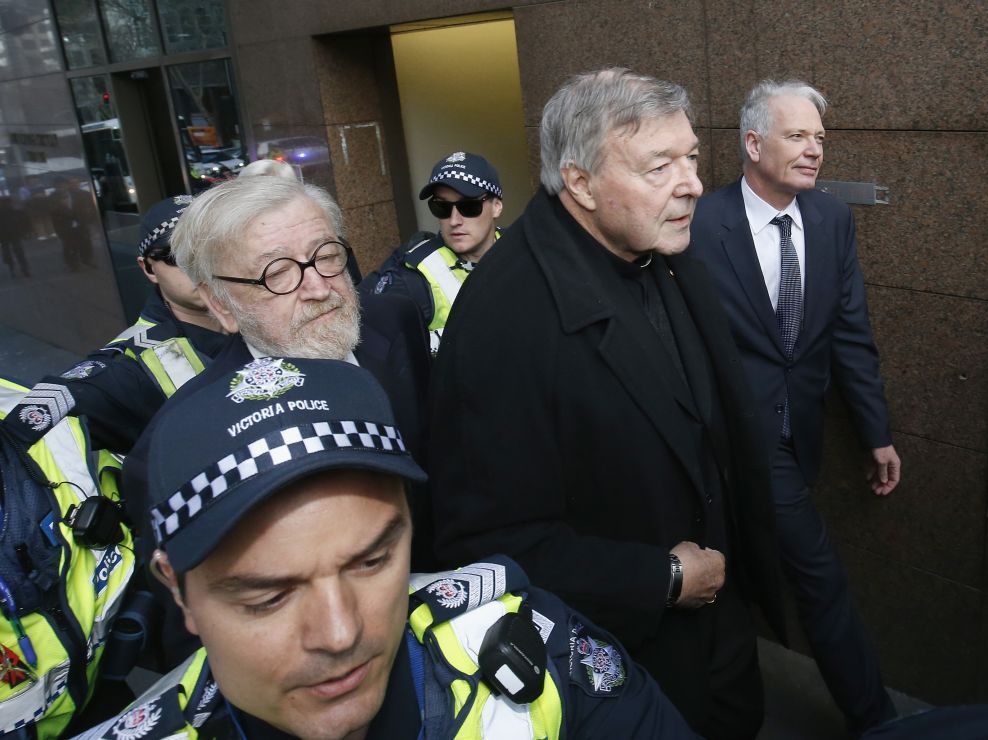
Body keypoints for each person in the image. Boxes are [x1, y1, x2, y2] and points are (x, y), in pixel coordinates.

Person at [427, 67, 783, 740]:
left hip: (723, 635)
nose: (692, 184)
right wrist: (664, 577)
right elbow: (485, 543)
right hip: (623, 665)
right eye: (659, 166)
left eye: (692, 158)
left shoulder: (665, 248)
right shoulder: (504, 318)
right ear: (581, 184)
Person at [75, 358, 699, 739]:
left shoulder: (530, 638)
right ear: (177, 588)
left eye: (371, 562)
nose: (342, 632)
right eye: (267, 596)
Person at [122, 175, 432, 665]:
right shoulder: (172, 454)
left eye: (326, 255)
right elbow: (206, 647)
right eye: (276, 273)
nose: (318, 288)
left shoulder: (394, 321)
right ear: (222, 306)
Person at [689, 79, 899, 734]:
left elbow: (849, 333)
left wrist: (876, 433)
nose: (815, 152)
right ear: (753, 144)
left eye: (820, 140)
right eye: (798, 136)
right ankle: (880, 721)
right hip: (724, 438)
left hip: (797, 434)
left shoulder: (833, 220)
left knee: (745, 574)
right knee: (819, 580)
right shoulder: (698, 223)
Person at [2, 196, 229, 457]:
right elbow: (24, 427)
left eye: (216, 248)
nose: (202, 265)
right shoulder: (125, 368)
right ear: (148, 269)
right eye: (177, 255)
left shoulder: (270, 313)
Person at [371, 151, 504, 354]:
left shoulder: (525, 251)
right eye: (441, 207)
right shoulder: (413, 278)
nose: (454, 220)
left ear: (496, 207)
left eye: (469, 206)